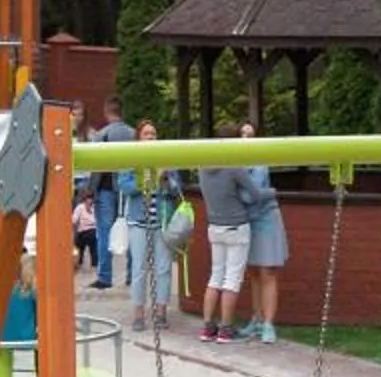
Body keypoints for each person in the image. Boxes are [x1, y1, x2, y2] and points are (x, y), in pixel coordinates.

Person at [118, 121, 184, 331]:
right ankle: (139, 313)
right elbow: (124, 186)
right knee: (139, 268)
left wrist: (165, 179)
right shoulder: (130, 158)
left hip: (162, 223)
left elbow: (177, 189)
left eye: (153, 134)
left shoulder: (165, 158)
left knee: (163, 269)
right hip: (139, 222)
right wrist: (145, 183)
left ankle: (161, 312)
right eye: (146, 134)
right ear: (138, 137)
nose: (150, 137)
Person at [197, 152, 262, 340]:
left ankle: (208, 327)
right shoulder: (234, 167)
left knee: (215, 276)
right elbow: (255, 194)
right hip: (236, 225)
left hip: (214, 225)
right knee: (232, 279)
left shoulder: (202, 167)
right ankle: (226, 328)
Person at [238, 121, 289, 345]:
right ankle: (256, 319)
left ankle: (268, 323)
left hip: (266, 220)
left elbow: (251, 196)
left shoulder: (259, 164)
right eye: (242, 135)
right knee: (254, 273)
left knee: (267, 271)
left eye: (250, 135)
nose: (246, 139)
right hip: (248, 221)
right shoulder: (234, 163)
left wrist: (264, 193)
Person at [91, 105, 134, 291]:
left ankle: (105, 277)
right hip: (128, 190)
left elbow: (96, 166)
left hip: (106, 189)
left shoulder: (101, 135)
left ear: (107, 112)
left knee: (104, 233)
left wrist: (89, 191)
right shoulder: (133, 134)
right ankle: (132, 276)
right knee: (132, 230)